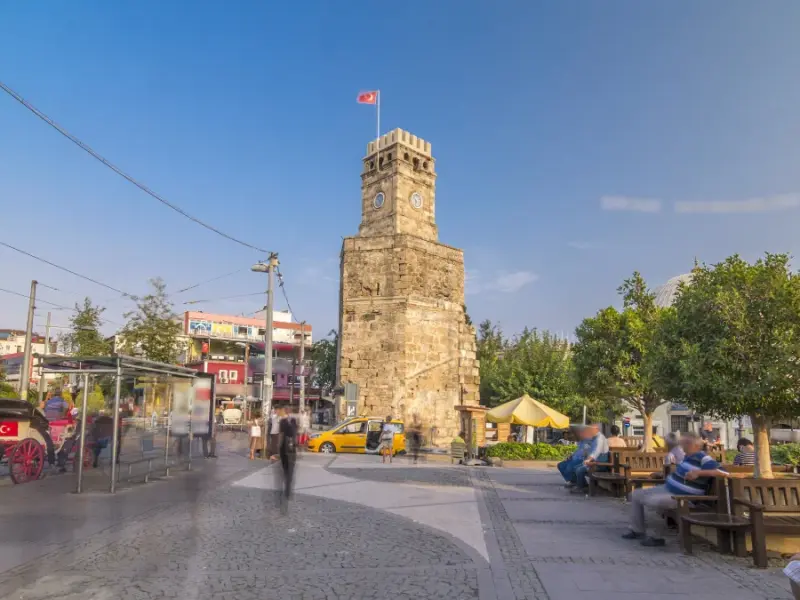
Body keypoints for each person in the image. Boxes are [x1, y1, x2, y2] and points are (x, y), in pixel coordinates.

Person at [622, 432, 728, 546]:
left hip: (685, 498)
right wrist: (660, 474)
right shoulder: (687, 457)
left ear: (696, 446)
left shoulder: (703, 457)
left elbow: (724, 472)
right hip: (668, 489)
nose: (683, 445)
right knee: (636, 494)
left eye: (686, 443)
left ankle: (657, 537)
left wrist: (699, 472)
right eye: (683, 443)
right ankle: (637, 530)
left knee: (653, 501)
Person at [572, 424, 610, 493]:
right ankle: (583, 485)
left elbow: (596, 451)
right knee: (576, 467)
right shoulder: (594, 438)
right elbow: (589, 450)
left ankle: (581, 487)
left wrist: (588, 459)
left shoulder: (600, 438)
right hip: (595, 462)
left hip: (600, 464)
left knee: (579, 469)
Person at [277, 407, 298, 513]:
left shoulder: (284, 421)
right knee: (289, 471)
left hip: (286, 449)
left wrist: (278, 448)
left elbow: (282, 435)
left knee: (287, 471)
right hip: (289, 449)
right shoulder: (291, 421)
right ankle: (287, 490)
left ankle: (286, 489)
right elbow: (295, 434)